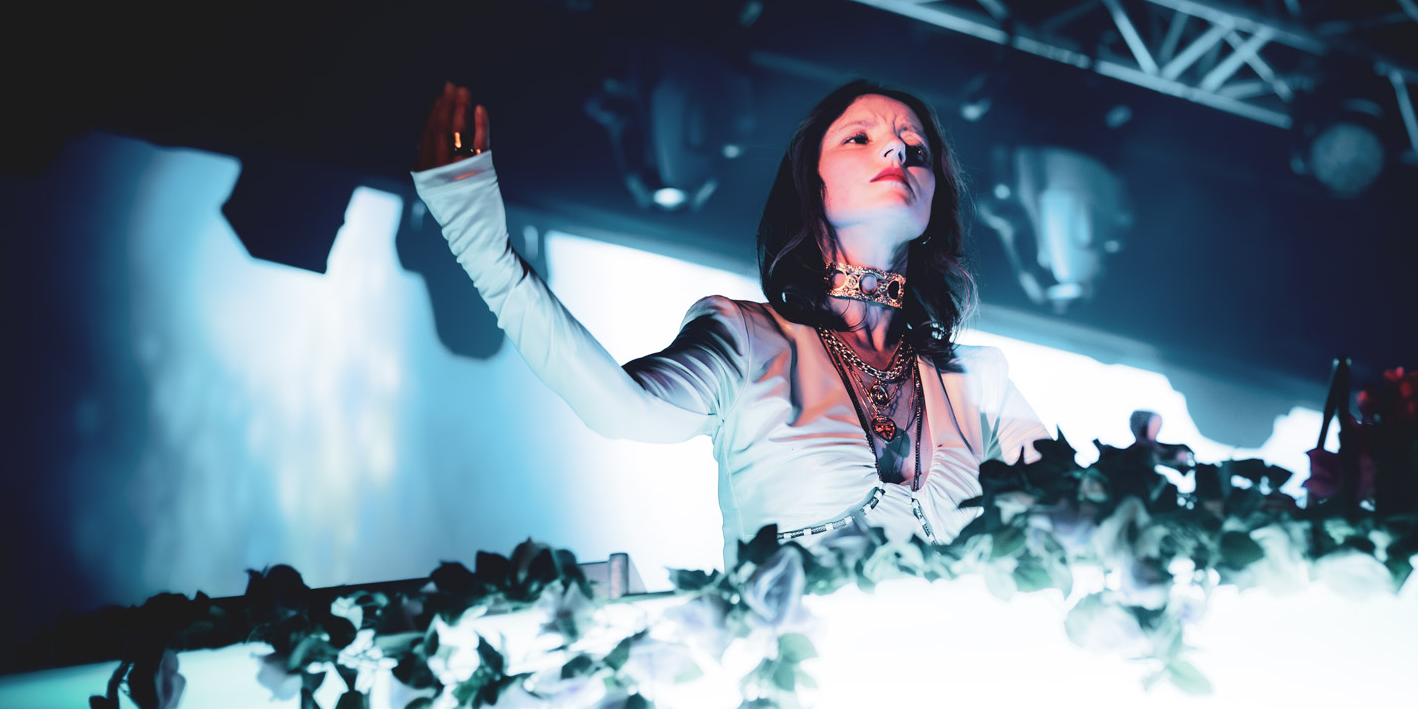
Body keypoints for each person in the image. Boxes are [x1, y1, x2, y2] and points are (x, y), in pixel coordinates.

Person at [410, 78, 1049, 567]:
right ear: (812, 185)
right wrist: (482, 246)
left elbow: (1067, 510)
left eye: (917, 149)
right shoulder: (746, 338)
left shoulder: (981, 380)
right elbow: (620, 407)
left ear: (934, 201)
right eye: (859, 138)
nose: (896, 148)